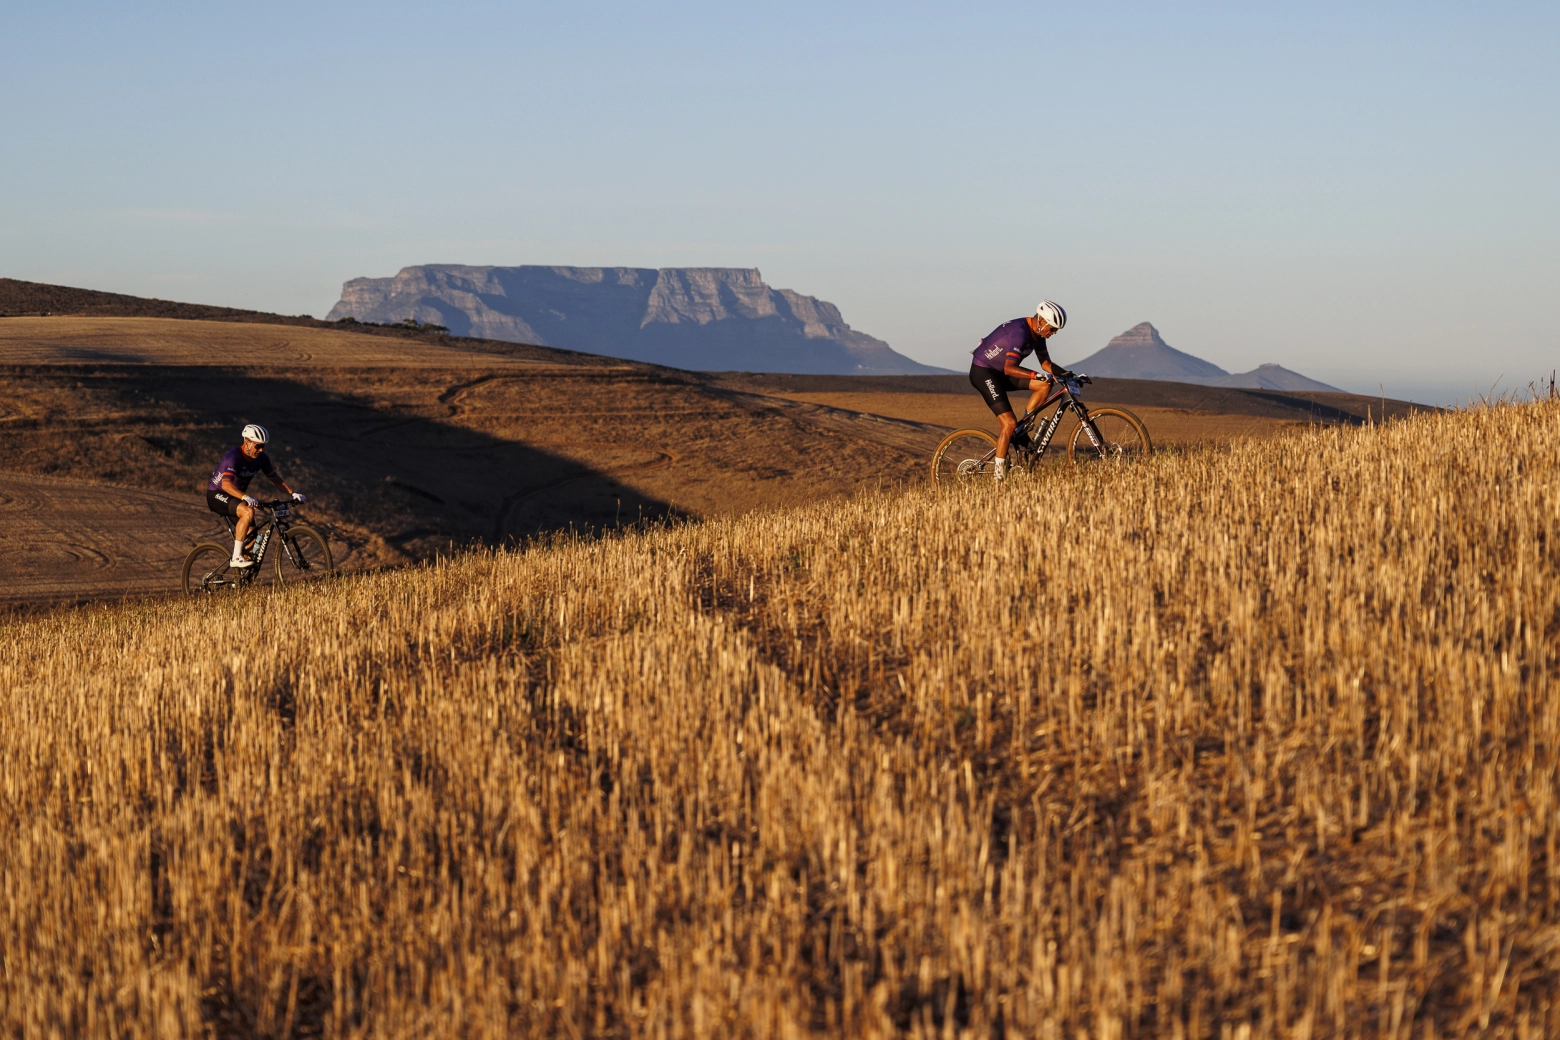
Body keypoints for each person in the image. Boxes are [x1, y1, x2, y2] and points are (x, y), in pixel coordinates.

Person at [968, 300, 1075, 480]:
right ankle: (998, 478)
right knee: (1008, 423)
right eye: (1053, 328)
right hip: (984, 372)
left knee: (1045, 385)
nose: (1054, 333)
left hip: (1000, 372)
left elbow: (1046, 364)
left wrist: (1069, 375)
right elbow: (1010, 368)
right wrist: (1035, 375)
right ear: (1041, 321)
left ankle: (1022, 430)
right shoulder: (1021, 332)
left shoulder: (1039, 335)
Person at [206, 424, 305, 568]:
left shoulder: (262, 459)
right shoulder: (233, 457)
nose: (260, 450)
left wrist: (292, 492)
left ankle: (241, 581)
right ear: (247, 443)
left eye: (263, 446)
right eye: (257, 446)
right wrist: (245, 497)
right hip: (217, 494)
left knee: (252, 536)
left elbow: (275, 479)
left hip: (236, 498)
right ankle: (235, 557)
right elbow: (226, 485)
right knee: (248, 511)